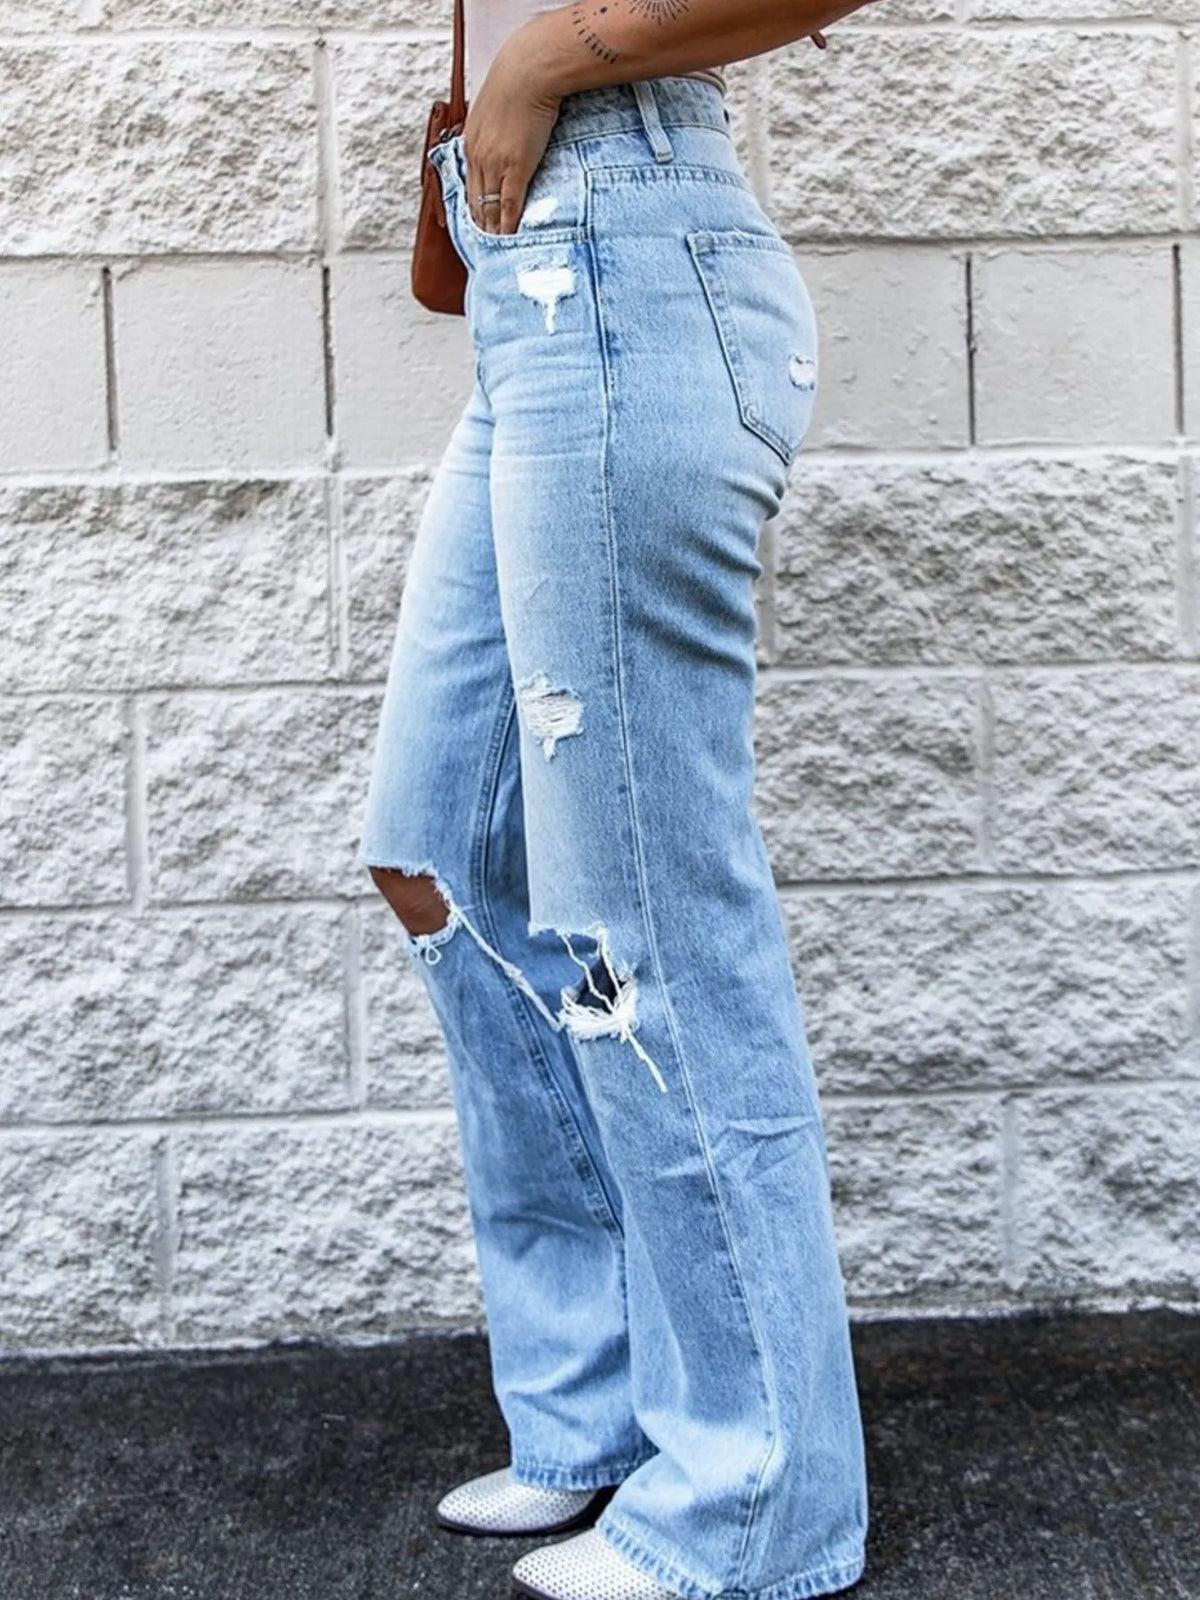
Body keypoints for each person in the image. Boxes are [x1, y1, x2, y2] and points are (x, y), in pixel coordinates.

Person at [359, 3, 881, 1597]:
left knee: (645, 906)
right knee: (442, 852)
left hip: (637, 275)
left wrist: (542, 65)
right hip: (535, 305)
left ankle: (754, 1500)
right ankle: (596, 1408)